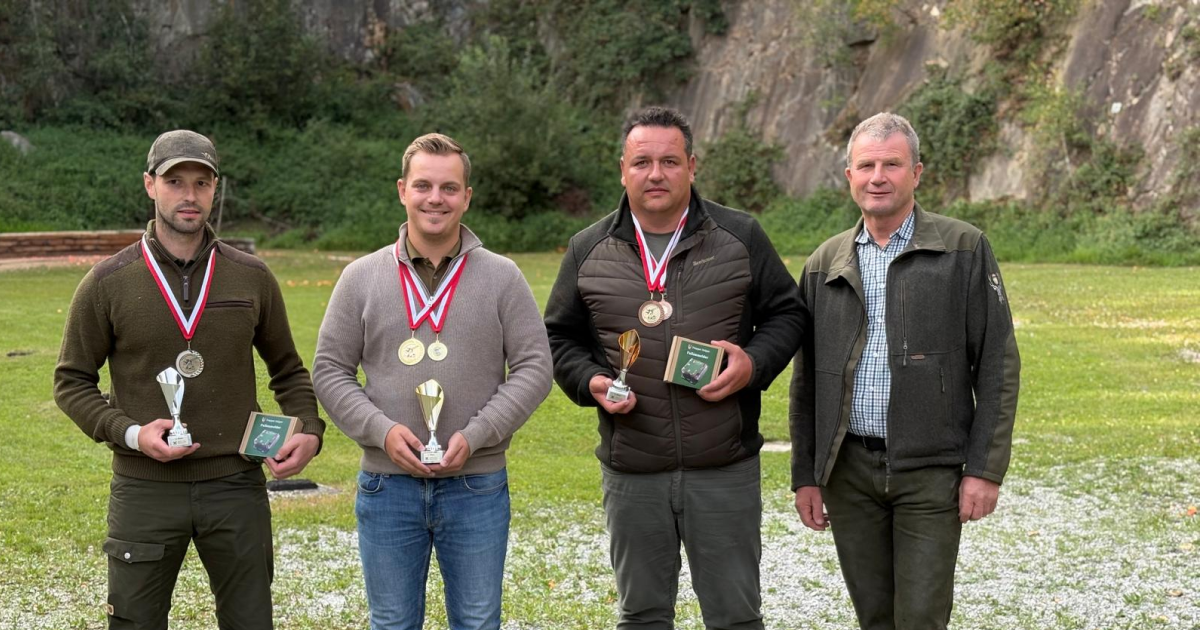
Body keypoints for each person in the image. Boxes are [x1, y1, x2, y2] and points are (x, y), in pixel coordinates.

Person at [544, 106, 805, 630]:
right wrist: (591, 381)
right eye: (642, 162)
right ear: (623, 170)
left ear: (692, 165)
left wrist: (752, 363)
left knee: (735, 618)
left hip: (724, 466)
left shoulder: (741, 235)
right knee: (642, 616)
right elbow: (558, 337)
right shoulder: (587, 248)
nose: (656, 174)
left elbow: (788, 313)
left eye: (669, 161)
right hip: (632, 470)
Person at [54, 129, 325, 629]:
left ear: (215, 188)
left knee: (250, 622)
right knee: (134, 622)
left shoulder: (251, 276)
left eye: (202, 182)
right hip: (144, 488)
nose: (189, 194)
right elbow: (71, 381)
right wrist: (131, 433)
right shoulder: (108, 281)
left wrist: (308, 428)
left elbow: (288, 370)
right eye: (174, 181)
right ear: (150, 185)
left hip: (235, 485)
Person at [789, 112, 1021, 630]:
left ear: (916, 173)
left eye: (891, 165)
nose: (878, 177)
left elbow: (998, 364)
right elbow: (807, 382)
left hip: (931, 472)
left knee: (920, 618)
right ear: (849, 175)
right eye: (866, 166)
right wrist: (806, 475)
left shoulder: (963, 249)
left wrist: (984, 469)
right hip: (848, 473)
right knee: (874, 617)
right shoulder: (824, 263)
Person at [312, 132, 552, 630]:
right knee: (392, 622)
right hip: (387, 486)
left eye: (449, 188)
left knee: (477, 621)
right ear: (403, 190)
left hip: (477, 484)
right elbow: (330, 370)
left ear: (467, 197)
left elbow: (535, 368)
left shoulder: (503, 277)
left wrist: (478, 434)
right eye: (423, 185)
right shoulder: (360, 277)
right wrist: (381, 432)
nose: (435, 198)